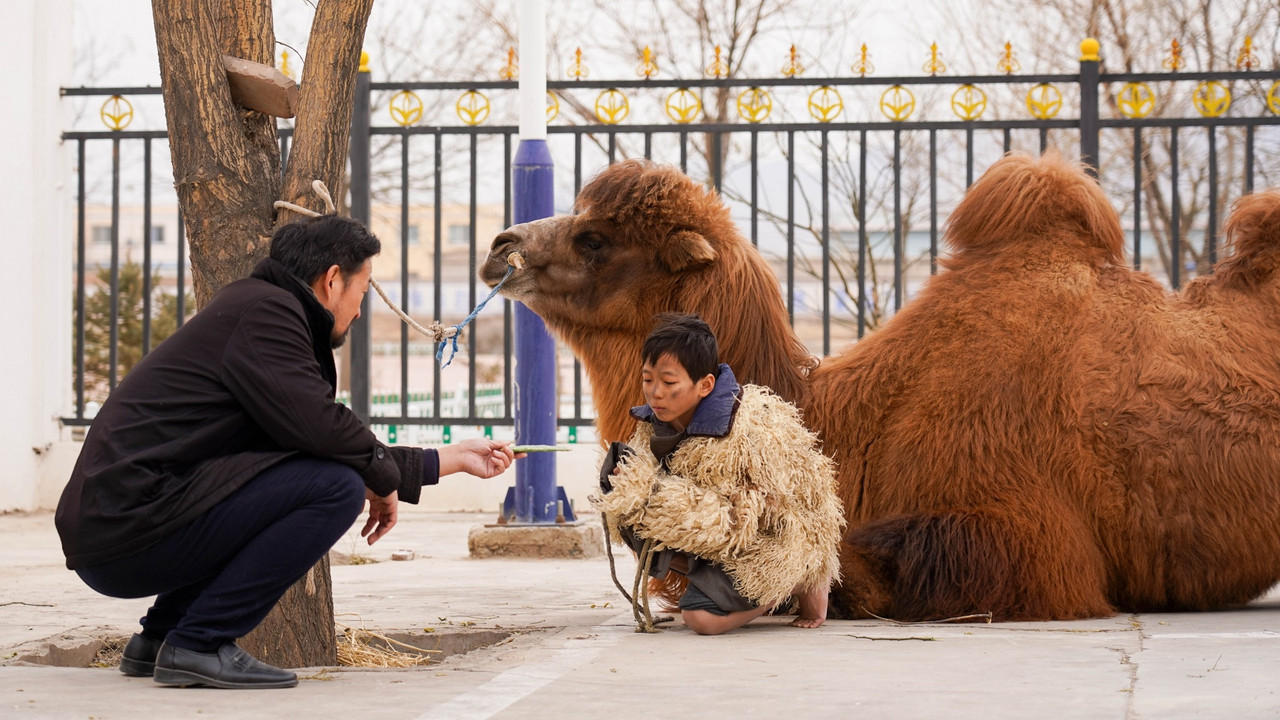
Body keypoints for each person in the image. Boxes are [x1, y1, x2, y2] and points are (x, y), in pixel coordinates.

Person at [55, 214, 517, 689]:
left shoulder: (260, 309)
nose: (360, 310)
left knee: (315, 478)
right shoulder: (266, 314)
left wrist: (449, 458)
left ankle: (159, 639)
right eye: (363, 290)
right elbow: (319, 425)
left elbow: (309, 438)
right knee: (333, 489)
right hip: (127, 528)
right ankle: (199, 643)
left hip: (121, 524)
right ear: (333, 280)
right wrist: (378, 475)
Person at [593, 313, 844, 635]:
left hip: (773, 542)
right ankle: (716, 580)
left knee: (701, 620)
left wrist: (656, 496)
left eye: (669, 383)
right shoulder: (654, 426)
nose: (655, 393)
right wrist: (627, 486)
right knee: (629, 510)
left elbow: (755, 516)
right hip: (720, 544)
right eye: (647, 380)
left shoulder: (749, 430)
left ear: (706, 385)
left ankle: (795, 582)